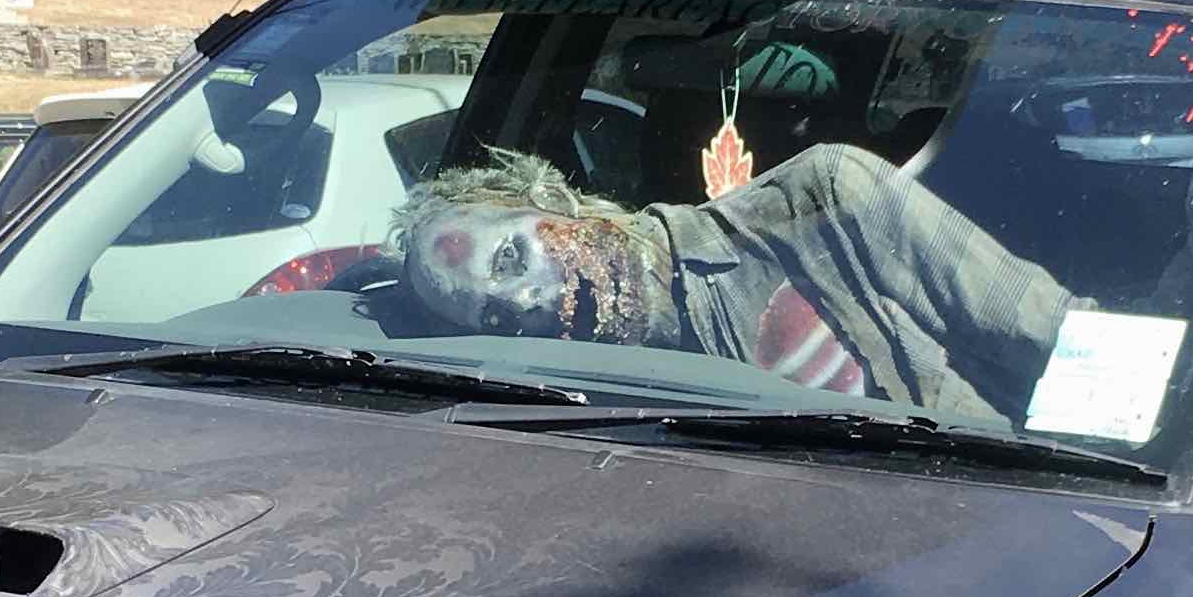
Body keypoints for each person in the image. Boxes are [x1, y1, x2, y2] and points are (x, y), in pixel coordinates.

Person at [397, 145, 1071, 430]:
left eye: (510, 257)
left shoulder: (822, 200)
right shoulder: (571, 409)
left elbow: (1065, 348)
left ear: (551, 200)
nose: (523, 303)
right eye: (495, 318)